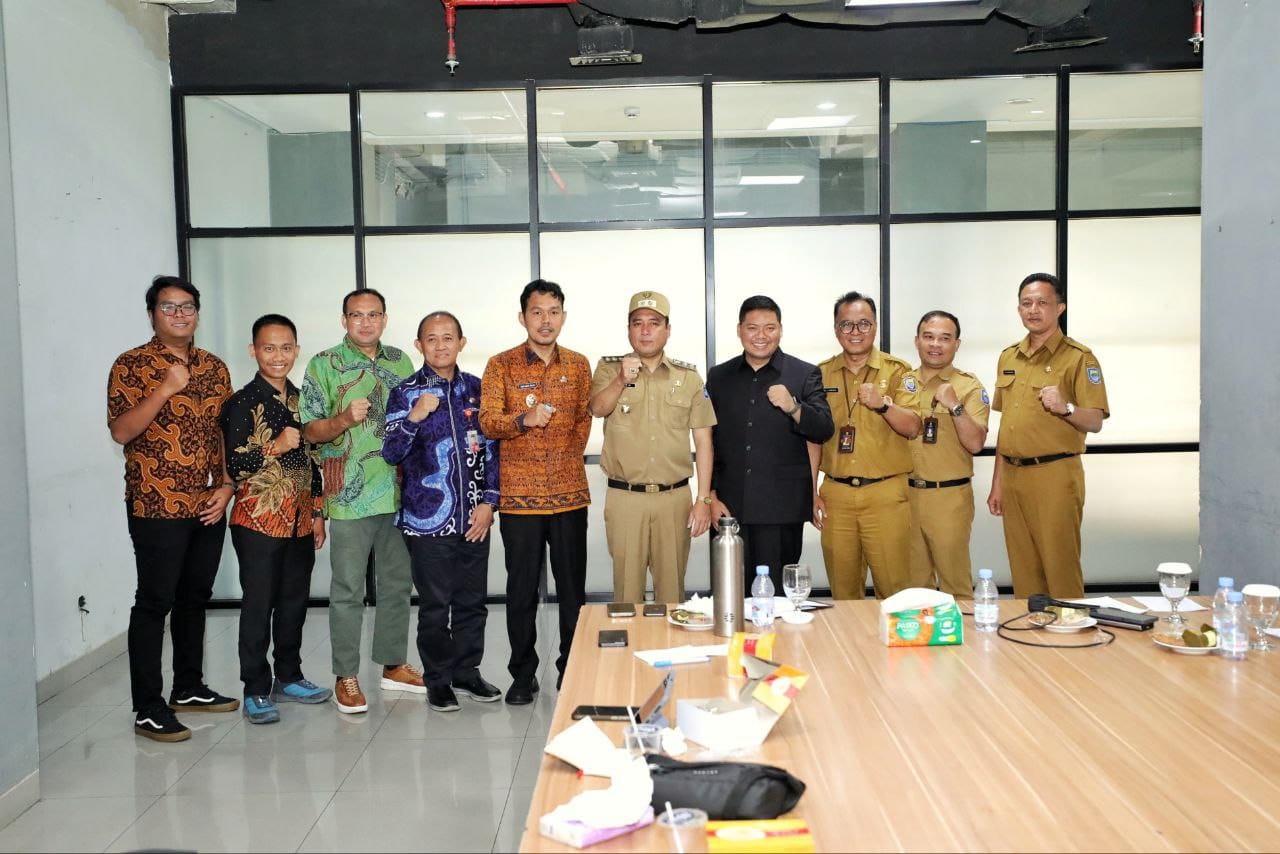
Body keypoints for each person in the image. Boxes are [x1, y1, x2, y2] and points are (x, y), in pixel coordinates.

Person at [107, 275, 238, 743]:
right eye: (169, 307)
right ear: (152, 315)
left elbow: (226, 434)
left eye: (187, 307)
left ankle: (189, 687)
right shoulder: (131, 365)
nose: (179, 315)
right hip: (156, 503)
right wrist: (164, 388)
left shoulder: (214, 367)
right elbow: (121, 431)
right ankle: (147, 707)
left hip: (208, 503)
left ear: (197, 313)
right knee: (154, 601)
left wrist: (228, 486)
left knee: (194, 598)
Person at [300, 288, 423, 714]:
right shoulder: (323, 364)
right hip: (349, 495)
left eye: (373, 315)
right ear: (344, 320)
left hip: (399, 493)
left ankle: (393, 664)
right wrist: (342, 419)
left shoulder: (400, 361)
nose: (365, 322)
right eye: (357, 315)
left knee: (397, 585)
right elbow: (309, 430)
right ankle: (345, 675)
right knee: (348, 589)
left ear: (385, 319)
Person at [383, 311, 503, 713]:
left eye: (448, 337)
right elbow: (390, 452)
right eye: (431, 339)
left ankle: (467, 671)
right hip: (426, 519)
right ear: (419, 345)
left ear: (461, 343)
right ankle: (438, 680)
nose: (440, 345)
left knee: (472, 602)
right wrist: (414, 417)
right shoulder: (405, 392)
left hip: (474, 517)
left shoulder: (477, 389)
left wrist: (489, 502)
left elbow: (492, 449)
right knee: (435, 607)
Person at [479, 279, 592, 705]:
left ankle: (572, 669)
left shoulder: (578, 365)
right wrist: (522, 421)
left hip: (569, 495)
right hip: (519, 500)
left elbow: (583, 420)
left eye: (553, 312)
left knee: (573, 592)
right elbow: (488, 421)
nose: (546, 320)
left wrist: (564, 456)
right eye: (537, 312)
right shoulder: (501, 365)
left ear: (564, 316)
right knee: (521, 591)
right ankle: (522, 675)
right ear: (522, 317)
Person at [221, 314, 331, 725]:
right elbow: (234, 465)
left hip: (300, 520)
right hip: (258, 521)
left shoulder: (304, 401)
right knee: (258, 605)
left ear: (297, 351)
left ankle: (289, 676)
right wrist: (275, 447)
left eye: (286, 348)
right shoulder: (241, 403)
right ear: (254, 351)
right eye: (269, 348)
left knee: (293, 603)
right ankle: (255, 688)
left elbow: (314, 461)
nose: (278, 356)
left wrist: (317, 513)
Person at [589, 291, 717, 605]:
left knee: (671, 596)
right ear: (629, 330)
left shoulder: (688, 377)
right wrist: (621, 380)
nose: (645, 330)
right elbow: (597, 408)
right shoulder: (609, 368)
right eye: (638, 323)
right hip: (626, 499)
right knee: (627, 596)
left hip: (674, 500)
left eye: (654, 323)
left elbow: (704, 442)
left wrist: (703, 499)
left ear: (667, 330)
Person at [988, 273, 1109, 598]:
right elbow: (1007, 425)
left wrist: (1065, 408)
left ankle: (1070, 626)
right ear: (1018, 309)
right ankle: (1033, 627)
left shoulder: (1079, 357)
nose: (1033, 310)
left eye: (1042, 302)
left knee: (1060, 566)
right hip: (1013, 475)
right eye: (1026, 303)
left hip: (1054, 475)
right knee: (1023, 568)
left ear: (1060, 308)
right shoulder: (1009, 356)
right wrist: (998, 483)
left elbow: (1095, 420)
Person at [706, 295, 834, 592]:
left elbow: (824, 428)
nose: (761, 336)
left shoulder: (804, 373)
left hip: (782, 509)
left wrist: (794, 407)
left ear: (780, 330)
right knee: (730, 593)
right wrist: (710, 495)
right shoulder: (719, 376)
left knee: (777, 596)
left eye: (770, 328)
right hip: (729, 508)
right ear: (739, 330)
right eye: (752, 328)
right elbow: (709, 441)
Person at [812, 291, 922, 600]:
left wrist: (884, 405)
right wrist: (811, 491)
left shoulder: (898, 371)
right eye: (846, 324)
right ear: (836, 329)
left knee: (895, 592)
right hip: (836, 495)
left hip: (885, 494)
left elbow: (914, 426)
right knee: (843, 594)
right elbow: (812, 438)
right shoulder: (820, 374)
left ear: (875, 327)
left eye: (863, 324)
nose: (855, 332)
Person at [907, 310, 989, 599]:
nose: (935, 344)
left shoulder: (969, 386)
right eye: (928, 337)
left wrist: (955, 406)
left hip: (948, 497)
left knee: (955, 584)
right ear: (917, 340)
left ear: (957, 344)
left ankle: (964, 630)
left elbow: (976, 443)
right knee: (914, 586)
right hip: (905, 497)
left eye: (944, 338)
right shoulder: (902, 382)